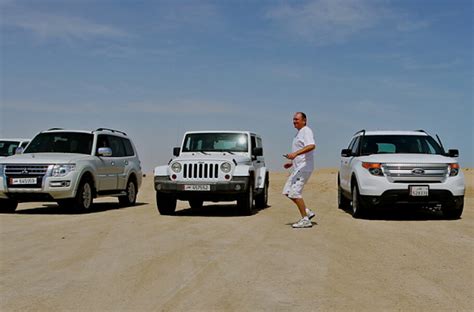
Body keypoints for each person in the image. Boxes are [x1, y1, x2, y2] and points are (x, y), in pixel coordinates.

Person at [282, 112, 316, 228]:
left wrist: (295, 154)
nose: (294, 121)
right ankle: (307, 212)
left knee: (295, 192)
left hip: (304, 167)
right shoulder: (298, 134)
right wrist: (291, 163)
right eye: (293, 120)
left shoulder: (306, 131)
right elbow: (301, 152)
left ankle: (305, 220)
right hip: (298, 167)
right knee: (287, 191)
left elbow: (311, 145)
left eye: (296, 119)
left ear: (304, 120)